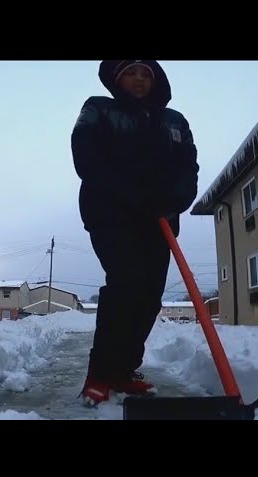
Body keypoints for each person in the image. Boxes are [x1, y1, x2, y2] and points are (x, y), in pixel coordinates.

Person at [71, 60, 199, 406]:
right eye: (131, 72)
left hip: (160, 218)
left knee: (149, 297)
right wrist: (134, 196)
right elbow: (87, 159)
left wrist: (176, 199)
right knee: (126, 284)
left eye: (146, 73)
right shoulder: (98, 108)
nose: (140, 80)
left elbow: (189, 166)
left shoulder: (174, 120)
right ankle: (100, 373)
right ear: (117, 78)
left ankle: (123, 371)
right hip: (111, 213)